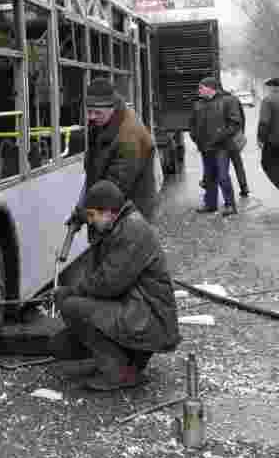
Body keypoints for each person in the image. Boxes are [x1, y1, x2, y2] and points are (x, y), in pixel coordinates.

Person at [50, 180, 181, 391]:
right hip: (143, 311)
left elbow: (108, 283)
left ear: (110, 212)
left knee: (72, 307)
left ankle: (121, 372)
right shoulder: (121, 223)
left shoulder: (132, 231)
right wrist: (82, 216)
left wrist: (72, 291)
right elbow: (106, 279)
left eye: (93, 216)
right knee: (62, 340)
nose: (91, 222)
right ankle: (123, 362)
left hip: (149, 318)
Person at [67, 77, 157, 234]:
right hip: (109, 216)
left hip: (129, 219)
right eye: (89, 112)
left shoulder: (129, 136)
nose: (92, 117)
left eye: (97, 113)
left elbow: (113, 189)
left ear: (112, 108)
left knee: (120, 257)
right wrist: (82, 209)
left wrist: (84, 214)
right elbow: (94, 172)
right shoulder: (102, 123)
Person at [189, 77, 241, 216]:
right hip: (205, 146)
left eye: (201, 88)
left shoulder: (227, 101)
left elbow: (235, 123)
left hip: (222, 146)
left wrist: (220, 137)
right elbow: (192, 124)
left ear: (210, 88)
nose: (198, 91)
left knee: (223, 176)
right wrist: (196, 138)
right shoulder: (198, 104)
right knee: (209, 177)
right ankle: (210, 205)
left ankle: (230, 205)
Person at [228, 90, 250, 198]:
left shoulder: (215, 101)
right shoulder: (234, 100)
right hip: (234, 136)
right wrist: (241, 133)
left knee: (220, 164)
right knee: (238, 163)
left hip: (223, 138)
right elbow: (242, 118)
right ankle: (244, 187)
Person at [258, 77, 279, 190]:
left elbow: (264, 122)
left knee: (267, 164)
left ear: (272, 87)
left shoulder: (268, 100)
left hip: (274, 142)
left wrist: (261, 139)